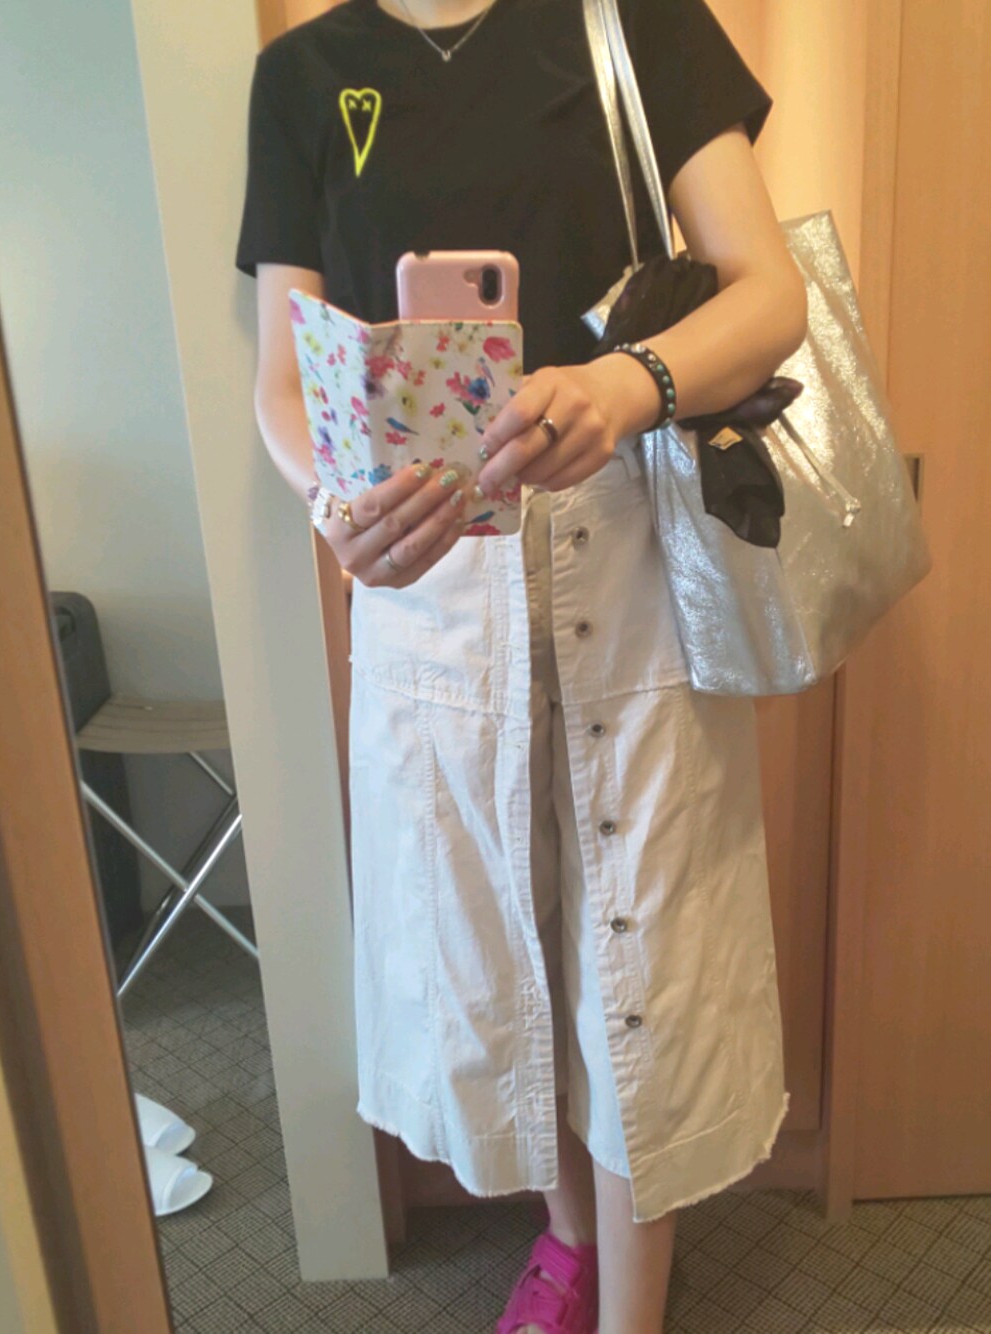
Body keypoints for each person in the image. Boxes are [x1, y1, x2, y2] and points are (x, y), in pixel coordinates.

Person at [235, 0, 807, 1329]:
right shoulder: (303, 77)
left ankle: (631, 1307)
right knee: (492, 937)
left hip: (632, 554)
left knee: (643, 943)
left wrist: (624, 385)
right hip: (431, 567)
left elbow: (770, 293)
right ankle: (567, 1236)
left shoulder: (635, 20)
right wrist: (337, 503)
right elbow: (282, 377)